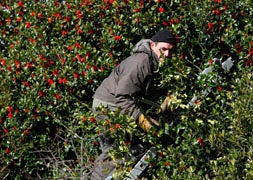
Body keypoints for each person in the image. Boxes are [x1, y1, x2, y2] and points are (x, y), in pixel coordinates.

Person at [91, 29, 177, 179]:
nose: (167, 55)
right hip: (108, 105)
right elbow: (123, 98)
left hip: (119, 105)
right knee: (115, 151)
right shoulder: (141, 62)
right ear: (152, 45)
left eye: (171, 51)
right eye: (163, 49)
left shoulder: (157, 63)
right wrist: (145, 122)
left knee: (131, 148)